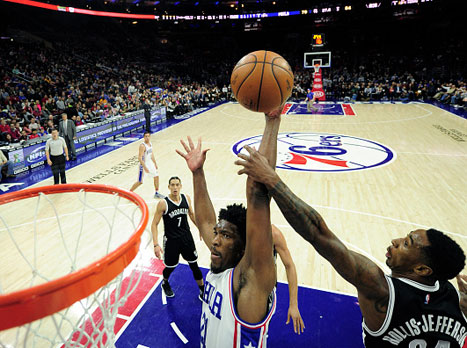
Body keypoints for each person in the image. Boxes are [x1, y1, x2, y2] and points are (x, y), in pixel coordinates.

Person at [234, 145, 467, 347]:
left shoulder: (381, 291)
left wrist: (271, 180)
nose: (396, 241)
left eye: (407, 244)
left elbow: (318, 233)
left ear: (422, 270)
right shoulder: (451, 297)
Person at [176, 107, 281, 348]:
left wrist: (272, 122)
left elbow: (258, 195)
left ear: (244, 248)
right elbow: (204, 221)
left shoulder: (249, 279)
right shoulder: (222, 264)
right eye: (218, 234)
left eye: (225, 235)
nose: (215, 240)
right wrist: (197, 172)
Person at [151, 176, 204, 299]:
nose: (175, 187)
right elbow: (154, 224)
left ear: (180, 186)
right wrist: (155, 244)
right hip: (171, 241)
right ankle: (165, 282)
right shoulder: (163, 203)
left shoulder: (186, 198)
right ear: (169, 187)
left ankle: (202, 291)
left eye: (177, 185)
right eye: (172, 185)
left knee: (194, 264)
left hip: (186, 238)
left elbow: (191, 214)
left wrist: (200, 228)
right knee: (171, 266)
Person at [272, 224, 305, 334]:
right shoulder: (241, 227)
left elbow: (289, 266)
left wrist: (294, 305)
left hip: (265, 293)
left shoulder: (274, 234)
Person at [129, 131, 163, 198]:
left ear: (150, 137)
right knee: (140, 181)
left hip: (150, 162)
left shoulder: (150, 144)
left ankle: (156, 193)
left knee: (156, 176)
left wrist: (155, 163)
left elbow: (151, 154)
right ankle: (129, 193)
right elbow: (139, 157)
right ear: (144, 137)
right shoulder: (142, 146)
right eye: (146, 136)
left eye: (148, 136)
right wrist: (145, 167)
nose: (147, 138)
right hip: (143, 164)